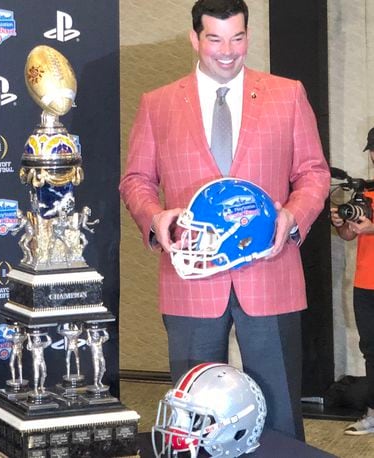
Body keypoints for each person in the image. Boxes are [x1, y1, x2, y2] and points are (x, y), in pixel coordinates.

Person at [119, 0, 329, 441]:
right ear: (195, 39)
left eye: (237, 37)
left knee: (282, 413)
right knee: (195, 414)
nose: (228, 50)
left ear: (248, 35)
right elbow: (136, 179)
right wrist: (153, 216)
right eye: (215, 38)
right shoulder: (157, 104)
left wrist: (293, 216)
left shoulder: (287, 93)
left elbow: (313, 173)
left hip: (270, 274)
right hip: (190, 277)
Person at [330, 127, 374, 435]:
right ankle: (373, 413)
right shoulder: (365, 194)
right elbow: (350, 235)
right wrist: (341, 225)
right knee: (370, 350)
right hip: (366, 285)